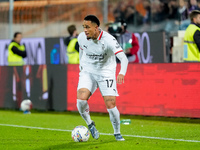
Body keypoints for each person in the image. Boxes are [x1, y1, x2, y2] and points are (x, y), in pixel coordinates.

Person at [77, 15, 128, 141]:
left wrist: (121, 73)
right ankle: (90, 124)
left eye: (88, 27)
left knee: (111, 105)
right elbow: (82, 50)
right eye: (84, 27)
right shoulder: (81, 37)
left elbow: (123, 58)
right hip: (88, 71)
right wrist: (81, 65)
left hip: (106, 73)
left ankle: (117, 132)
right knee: (81, 100)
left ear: (96, 28)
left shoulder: (109, 40)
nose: (85, 30)